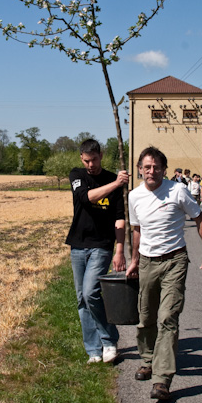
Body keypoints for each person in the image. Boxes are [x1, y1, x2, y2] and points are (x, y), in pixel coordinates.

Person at [126, 146, 202, 401]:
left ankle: (162, 379)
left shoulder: (178, 190)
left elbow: (200, 219)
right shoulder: (134, 196)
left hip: (174, 261)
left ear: (164, 170)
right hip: (146, 263)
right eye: (147, 167)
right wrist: (134, 260)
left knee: (167, 317)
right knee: (145, 317)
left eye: (156, 167)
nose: (151, 171)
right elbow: (137, 230)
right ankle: (147, 360)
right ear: (140, 170)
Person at [66, 139, 129, 364]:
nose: (90, 165)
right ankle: (93, 350)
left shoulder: (114, 179)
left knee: (91, 292)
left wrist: (119, 250)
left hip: (102, 244)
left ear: (100, 155)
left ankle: (109, 340)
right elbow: (86, 197)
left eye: (93, 160)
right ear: (81, 159)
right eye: (86, 160)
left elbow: (120, 218)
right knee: (82, 299)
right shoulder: (77, 175)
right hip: (78, 244)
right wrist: (115, 184)